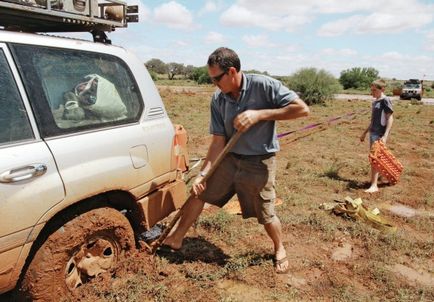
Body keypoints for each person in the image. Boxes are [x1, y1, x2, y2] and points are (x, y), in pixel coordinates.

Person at [163, 47, 309, 274]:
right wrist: (203, 174)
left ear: (231, 71)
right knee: (198, 191)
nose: (213, 84)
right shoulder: (218, 99)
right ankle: (176, 239)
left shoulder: (264, 86)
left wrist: (260, 114)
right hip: (228, 159)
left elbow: (302, 109)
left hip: (259, 161)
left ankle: (279, 248)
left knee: (266, 211)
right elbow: (218, 142)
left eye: (216, 78)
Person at [360, 79, 394, 193]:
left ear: (382, 89)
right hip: (373, 133)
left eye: (374, 90)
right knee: (377, 158)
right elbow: (373, 120)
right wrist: (365, 133)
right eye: (371, 90)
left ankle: (374, 185)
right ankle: (388, 177)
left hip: (379, 134)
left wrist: (385, 135)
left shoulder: (385, 100)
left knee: (375, 159)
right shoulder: (375, 102)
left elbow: (390, 118)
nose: (372, 92)